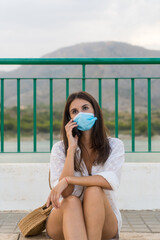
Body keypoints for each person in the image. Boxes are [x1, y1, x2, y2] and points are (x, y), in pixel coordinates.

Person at [45, 91, 125, 240]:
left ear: (95, 111)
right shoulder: (59, 149)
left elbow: (109, 181)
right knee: (71, 201)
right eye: (74, 111)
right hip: (65, 218)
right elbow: (65, 193)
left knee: (94, 190)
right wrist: (71, 149)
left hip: (104, 223)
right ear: (70, 119)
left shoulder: (115, 146)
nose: (80, 114)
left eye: (85, 108)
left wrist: (69, 180)